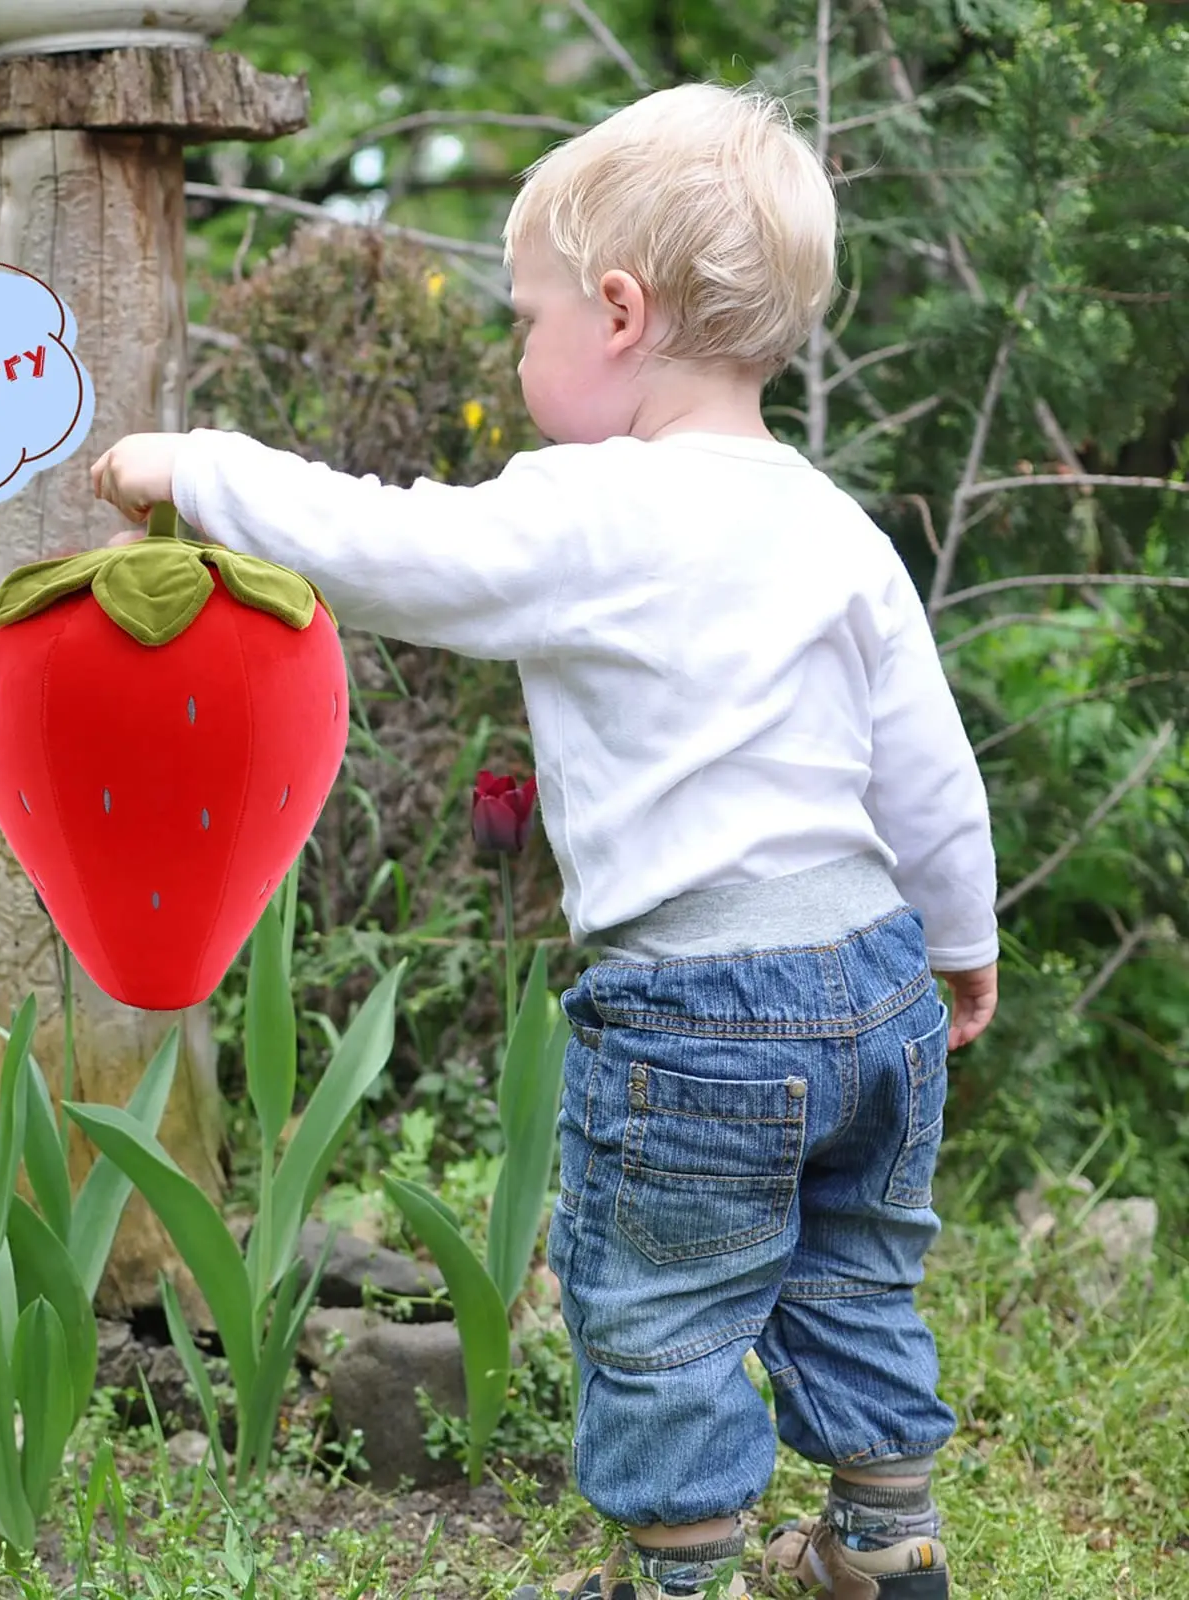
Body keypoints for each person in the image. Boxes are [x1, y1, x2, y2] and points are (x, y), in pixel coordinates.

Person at [90, 79, 997, 1600]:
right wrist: (961, 941)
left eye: (529, 319)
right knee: (855, 1273)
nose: (519, 354)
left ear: (621, 314)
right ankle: (885, 1536)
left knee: (662, 1310)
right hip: (876, 978)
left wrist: (194, 471)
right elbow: (929, 770)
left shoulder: (595, 508)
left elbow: (388, 547)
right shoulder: (837, 526)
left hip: (701, 1010)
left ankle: (680, 1577)